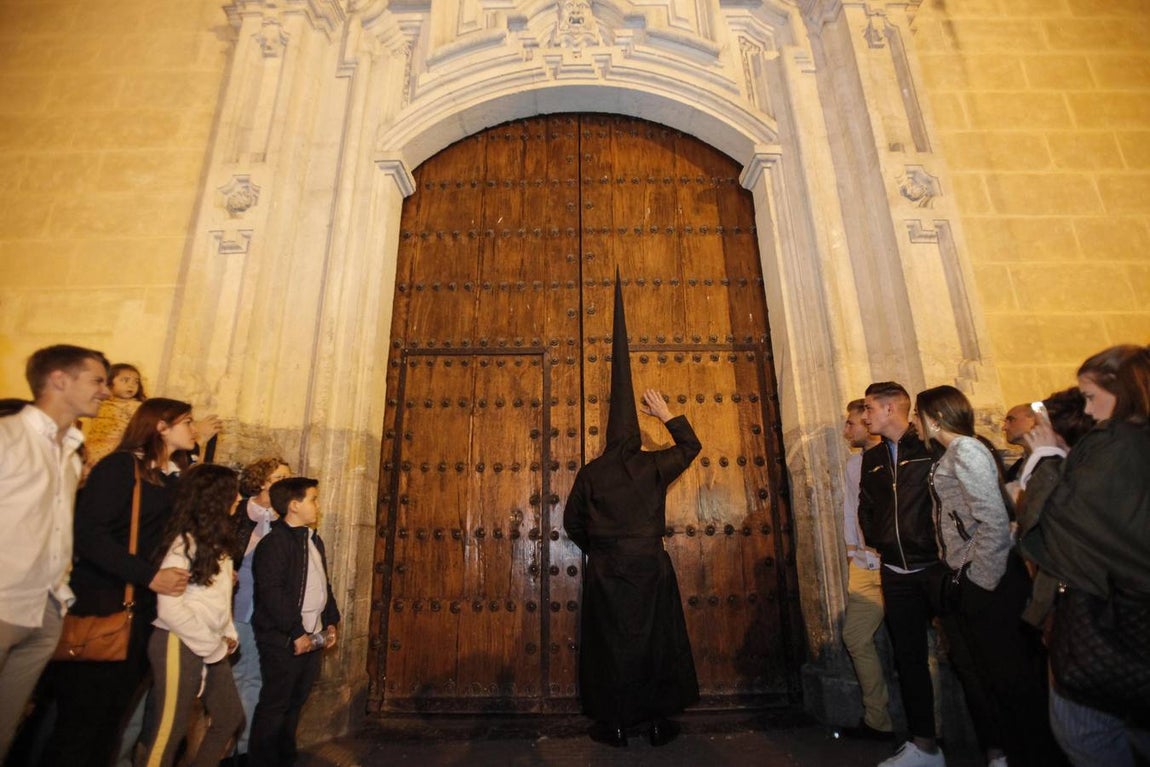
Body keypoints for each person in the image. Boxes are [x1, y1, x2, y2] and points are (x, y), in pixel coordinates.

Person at [563, 273, 701, 748]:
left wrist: (602, 548)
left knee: (611, 646)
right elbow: (691, 445)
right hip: (649, 563)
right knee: (657, 640)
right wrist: (666, 415)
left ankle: (616, 724)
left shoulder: (592, 472)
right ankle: (659, 722)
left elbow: (571, 522)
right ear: (636, 434)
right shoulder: (653, 465)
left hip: (608, 567)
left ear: (607, 433)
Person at [43, 398, 201, 766]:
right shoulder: (120, 467)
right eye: (187, 422)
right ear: (161, 427)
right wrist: (150, 576)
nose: (194, 429)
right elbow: (90, 535)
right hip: (106, 603)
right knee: (79, 724)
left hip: (141, 610)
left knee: (110, 724)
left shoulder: (168, 479)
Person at [915, 385, 1062, 767]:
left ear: (934, 418)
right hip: (976, 576)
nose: (915, 423)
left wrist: (979, 580)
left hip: (990, 581)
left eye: (918, 415)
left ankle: (1036, 756)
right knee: (996, 680)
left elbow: (993, 518)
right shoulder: (955, 451)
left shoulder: (966, 450)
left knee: (1013, 681)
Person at [1018, 345, 1150, 766]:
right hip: (1121, 606)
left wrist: (1046, 461)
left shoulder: (1115, 443)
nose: (1088, 412)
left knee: (1084, 731)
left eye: (1092, 397)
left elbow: (1061, 524)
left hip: (1107, 609)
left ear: (1124, 390)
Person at [0, 345, 109, 760]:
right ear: (59, 379)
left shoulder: (69, 454)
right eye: (97, 380)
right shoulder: (8, 437)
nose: (105, 391)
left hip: (44, 610)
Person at [856, 381, 944, 767]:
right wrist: (880, 540)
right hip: (896, 571)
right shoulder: (871, 458)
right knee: (907, 659)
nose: (864, 416)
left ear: (891, 408)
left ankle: (999, 751)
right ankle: (925, 746)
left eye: (869, 409)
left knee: (970, 658)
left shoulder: (929, 449)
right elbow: (867, 506)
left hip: (938, 568)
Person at [139, 463, 244, 767]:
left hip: (210, 644)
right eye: (231, 493)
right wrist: (211, 646)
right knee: (167, 733)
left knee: (229, 716)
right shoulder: (183, 545)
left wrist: (228, 634)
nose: (237, 498)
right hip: (177, 642)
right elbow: (170, 609)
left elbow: (217, 599)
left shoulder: (217, 544)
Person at [248, 477, 340, 767]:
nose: (317, 505)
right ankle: (262, 760)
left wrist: (331, 621)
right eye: (313, 499)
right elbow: (272, 593)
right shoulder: (275, 543)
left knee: (296, 700)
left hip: (312, 635)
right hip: (283, 639)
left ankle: (285, 757)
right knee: (276, 703)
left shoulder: (313, 540)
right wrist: (295, 632)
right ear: (294, 505)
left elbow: (323, 585)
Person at [226, 457, 292, 767]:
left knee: (255, 679)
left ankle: (245, 747)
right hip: (238, 608)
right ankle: (236, 749)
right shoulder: (238, 513)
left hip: (268, 614)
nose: (286, 482)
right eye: (280, 477)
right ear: (262, 482)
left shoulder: (284, 519)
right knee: (244, 677)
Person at [838, 399, 894, 741]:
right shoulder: (853, 464)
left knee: (919, 646)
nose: (847, 430)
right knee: (855, 637)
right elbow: (850, 510)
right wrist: (850, 552)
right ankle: (878, 720)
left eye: (851, 423)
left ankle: (933, 727)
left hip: (895, 565)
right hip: (862, 564)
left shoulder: (895, 460)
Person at [83, 363, 147, 473]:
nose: (131, 385)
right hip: (93, 447)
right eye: (125, 380)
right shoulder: (100, 402)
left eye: (136, 381)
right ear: (108, 383)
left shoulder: (135, 406)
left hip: (117, 449)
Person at [1001, 403, 1036, 484]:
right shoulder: (1017, 466)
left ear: (1035, 420)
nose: (1004, 428)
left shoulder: (1056, 460)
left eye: (1011, 420)